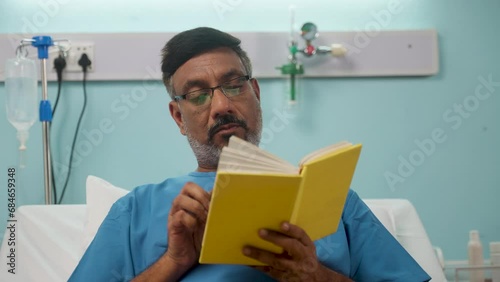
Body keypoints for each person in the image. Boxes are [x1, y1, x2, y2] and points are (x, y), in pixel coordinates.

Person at [69, 27, 431, 282]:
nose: (222, 105)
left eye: (234, 85)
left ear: (255, 93)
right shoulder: (135, 210)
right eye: (197, 95)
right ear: (178, 117)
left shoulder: (333, 199)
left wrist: (314, 276)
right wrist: (173, 262)